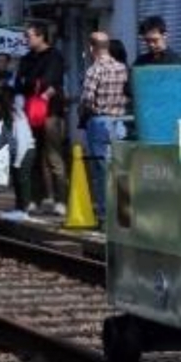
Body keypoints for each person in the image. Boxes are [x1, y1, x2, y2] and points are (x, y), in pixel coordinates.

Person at [14, 21, 68, 216]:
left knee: (54, 156)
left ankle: (61, 200)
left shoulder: (55, 56)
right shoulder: (27, 58)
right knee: (34, 156)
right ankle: (36, 199)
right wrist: (33, 83)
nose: (26, 39)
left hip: (50, 113)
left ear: (40, 36)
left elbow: (47, 81)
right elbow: (19, 83)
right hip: (30, 112)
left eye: (29, 36)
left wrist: (32, 82)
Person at [79, 31, 130, 225]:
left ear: (92, 48)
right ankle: (124, 213)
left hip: (100, 122)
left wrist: (89, 110)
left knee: (101, 171)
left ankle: (105, 216)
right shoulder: (122, 68)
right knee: (121, 169)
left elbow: (86, 99)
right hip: (121, 122)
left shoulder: (94, 70)